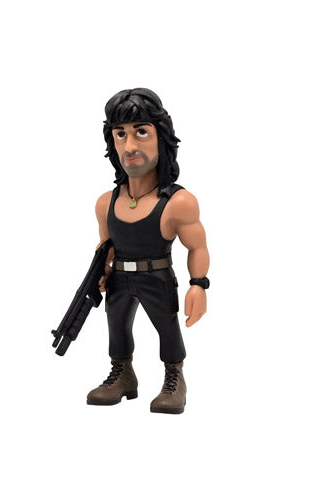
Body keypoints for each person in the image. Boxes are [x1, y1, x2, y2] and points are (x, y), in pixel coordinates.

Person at [86, 88, 210, 414]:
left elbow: (197, 246)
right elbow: (105, 247)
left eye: (141, 132)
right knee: (116, 327)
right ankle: (122, 374)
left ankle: (174, 377)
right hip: (119, 279)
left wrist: (199, 285)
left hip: (157, 275)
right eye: (120, 134)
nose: (129, 146)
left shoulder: (178, 202)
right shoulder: (106, 203)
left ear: (161, 137)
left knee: (167, 328)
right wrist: (101, 273)